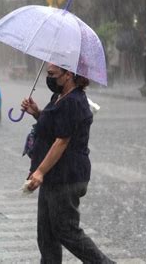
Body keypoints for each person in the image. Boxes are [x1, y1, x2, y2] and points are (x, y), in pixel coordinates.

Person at [21, 63, 115, 264]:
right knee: (46, 234)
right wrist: (37, 112)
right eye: (47, 73)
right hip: (54, 176)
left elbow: (62, 140)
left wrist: (39, 171)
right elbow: (53, 127)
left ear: (68, 74)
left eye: (53, 74)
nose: (49, 78)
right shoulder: (59, 97)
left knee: (66, 231)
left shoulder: (73, 101)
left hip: (67, 176)